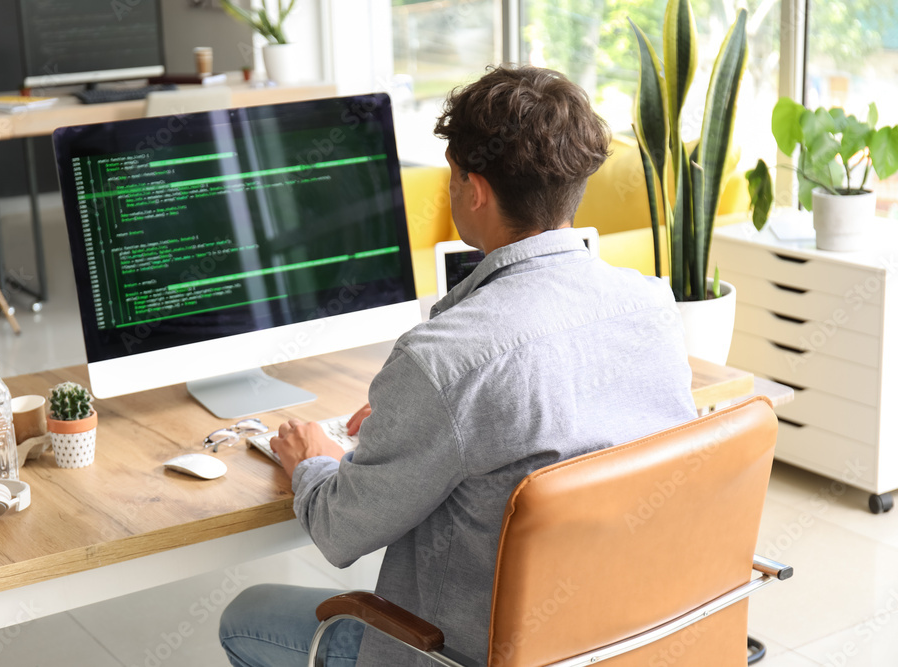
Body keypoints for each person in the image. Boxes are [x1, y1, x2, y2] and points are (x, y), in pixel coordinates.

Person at [219, 64, 697, 667]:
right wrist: (411, 421)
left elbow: (341, 533)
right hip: (625, 639)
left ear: (475, 190)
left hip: (463, 654)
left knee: (246, 615)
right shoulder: (651, 305)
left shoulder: (442, 360)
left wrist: (313, 461)